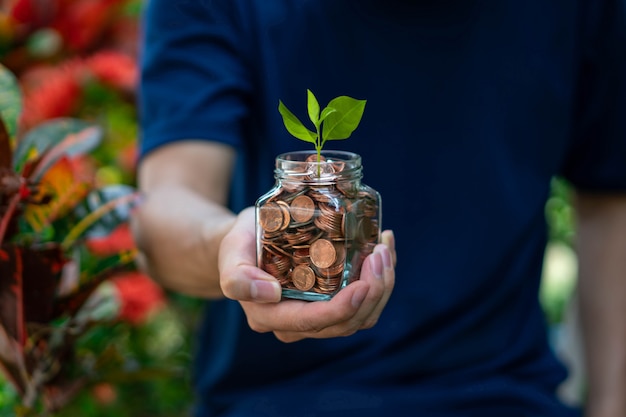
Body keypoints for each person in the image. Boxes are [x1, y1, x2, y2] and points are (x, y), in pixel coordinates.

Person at [132, 1, 626, 416]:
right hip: (278, 400)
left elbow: (611, 194)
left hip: (501, 395)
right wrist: (238, 244)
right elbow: (167, 207)